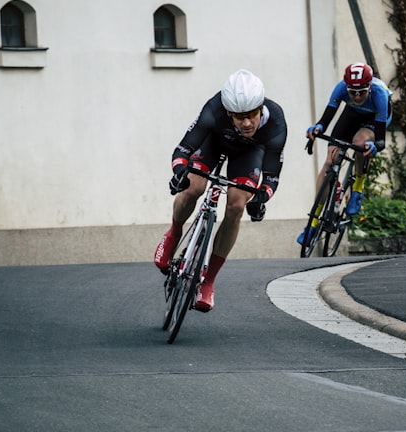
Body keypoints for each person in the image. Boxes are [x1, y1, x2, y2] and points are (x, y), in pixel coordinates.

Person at [153, 69, 288, 312]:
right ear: (228, 113)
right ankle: (174, 233)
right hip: (213, 142)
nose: (246, 123)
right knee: (194, 186)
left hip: (249, 154)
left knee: (237, 205)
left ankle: (209, 282)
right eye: (238, 117)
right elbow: (183, 149)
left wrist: (262, 198)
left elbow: (272, 174)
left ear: (261, 108)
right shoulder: (214, 109)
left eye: (251, 116)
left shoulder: (276, 121)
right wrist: (179, 172)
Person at [300, 62, 392, 244]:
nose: (357, 97)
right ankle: (313, 222)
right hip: (352, 115)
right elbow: (326, 118)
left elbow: (381, 139)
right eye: (353, 93)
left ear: (370, 89)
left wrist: (374, 147)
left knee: (359, 142)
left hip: (375, 119)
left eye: (362, 93)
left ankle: (358, 186)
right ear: (347, 88)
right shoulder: (341, 88)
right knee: (329, 161)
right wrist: (318, 128)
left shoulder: (380, 95)